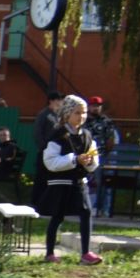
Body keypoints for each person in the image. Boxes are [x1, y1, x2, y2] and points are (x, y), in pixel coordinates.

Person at [40, 93, 101, 265]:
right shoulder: (58, 135)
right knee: (58, 216)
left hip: (79, 182)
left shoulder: (87, 135)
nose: (81, 117)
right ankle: (50, 252)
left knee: (86, 212)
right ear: (67, 114)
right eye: (77, 113)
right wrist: (74, 159)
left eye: (84, 113)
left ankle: (86, 253)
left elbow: (93, 156)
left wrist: (90, 162)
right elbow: (50, 162)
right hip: (61, 183)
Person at [86, 97, 121, 214]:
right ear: (89, 107)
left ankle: (103, 208)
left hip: (102, 156)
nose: (95, 108)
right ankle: (89, 207)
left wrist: (106, 150)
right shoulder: (84, 120)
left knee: (103, 182)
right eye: (93, 105)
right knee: (91, 182)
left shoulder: (107, 122)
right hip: (86, 156)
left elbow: (110, 140)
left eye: (98, 106)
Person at [32, 91, 63, 211]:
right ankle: (36, 203)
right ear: (52, 100)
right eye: (59, 100)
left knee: (52, 179)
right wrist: (43, 148)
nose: (61, 102)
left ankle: (48, 203)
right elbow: (37, 133)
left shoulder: (59, 116)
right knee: (41, 178)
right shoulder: (44, 114)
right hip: (45, 152)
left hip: (56, 153)